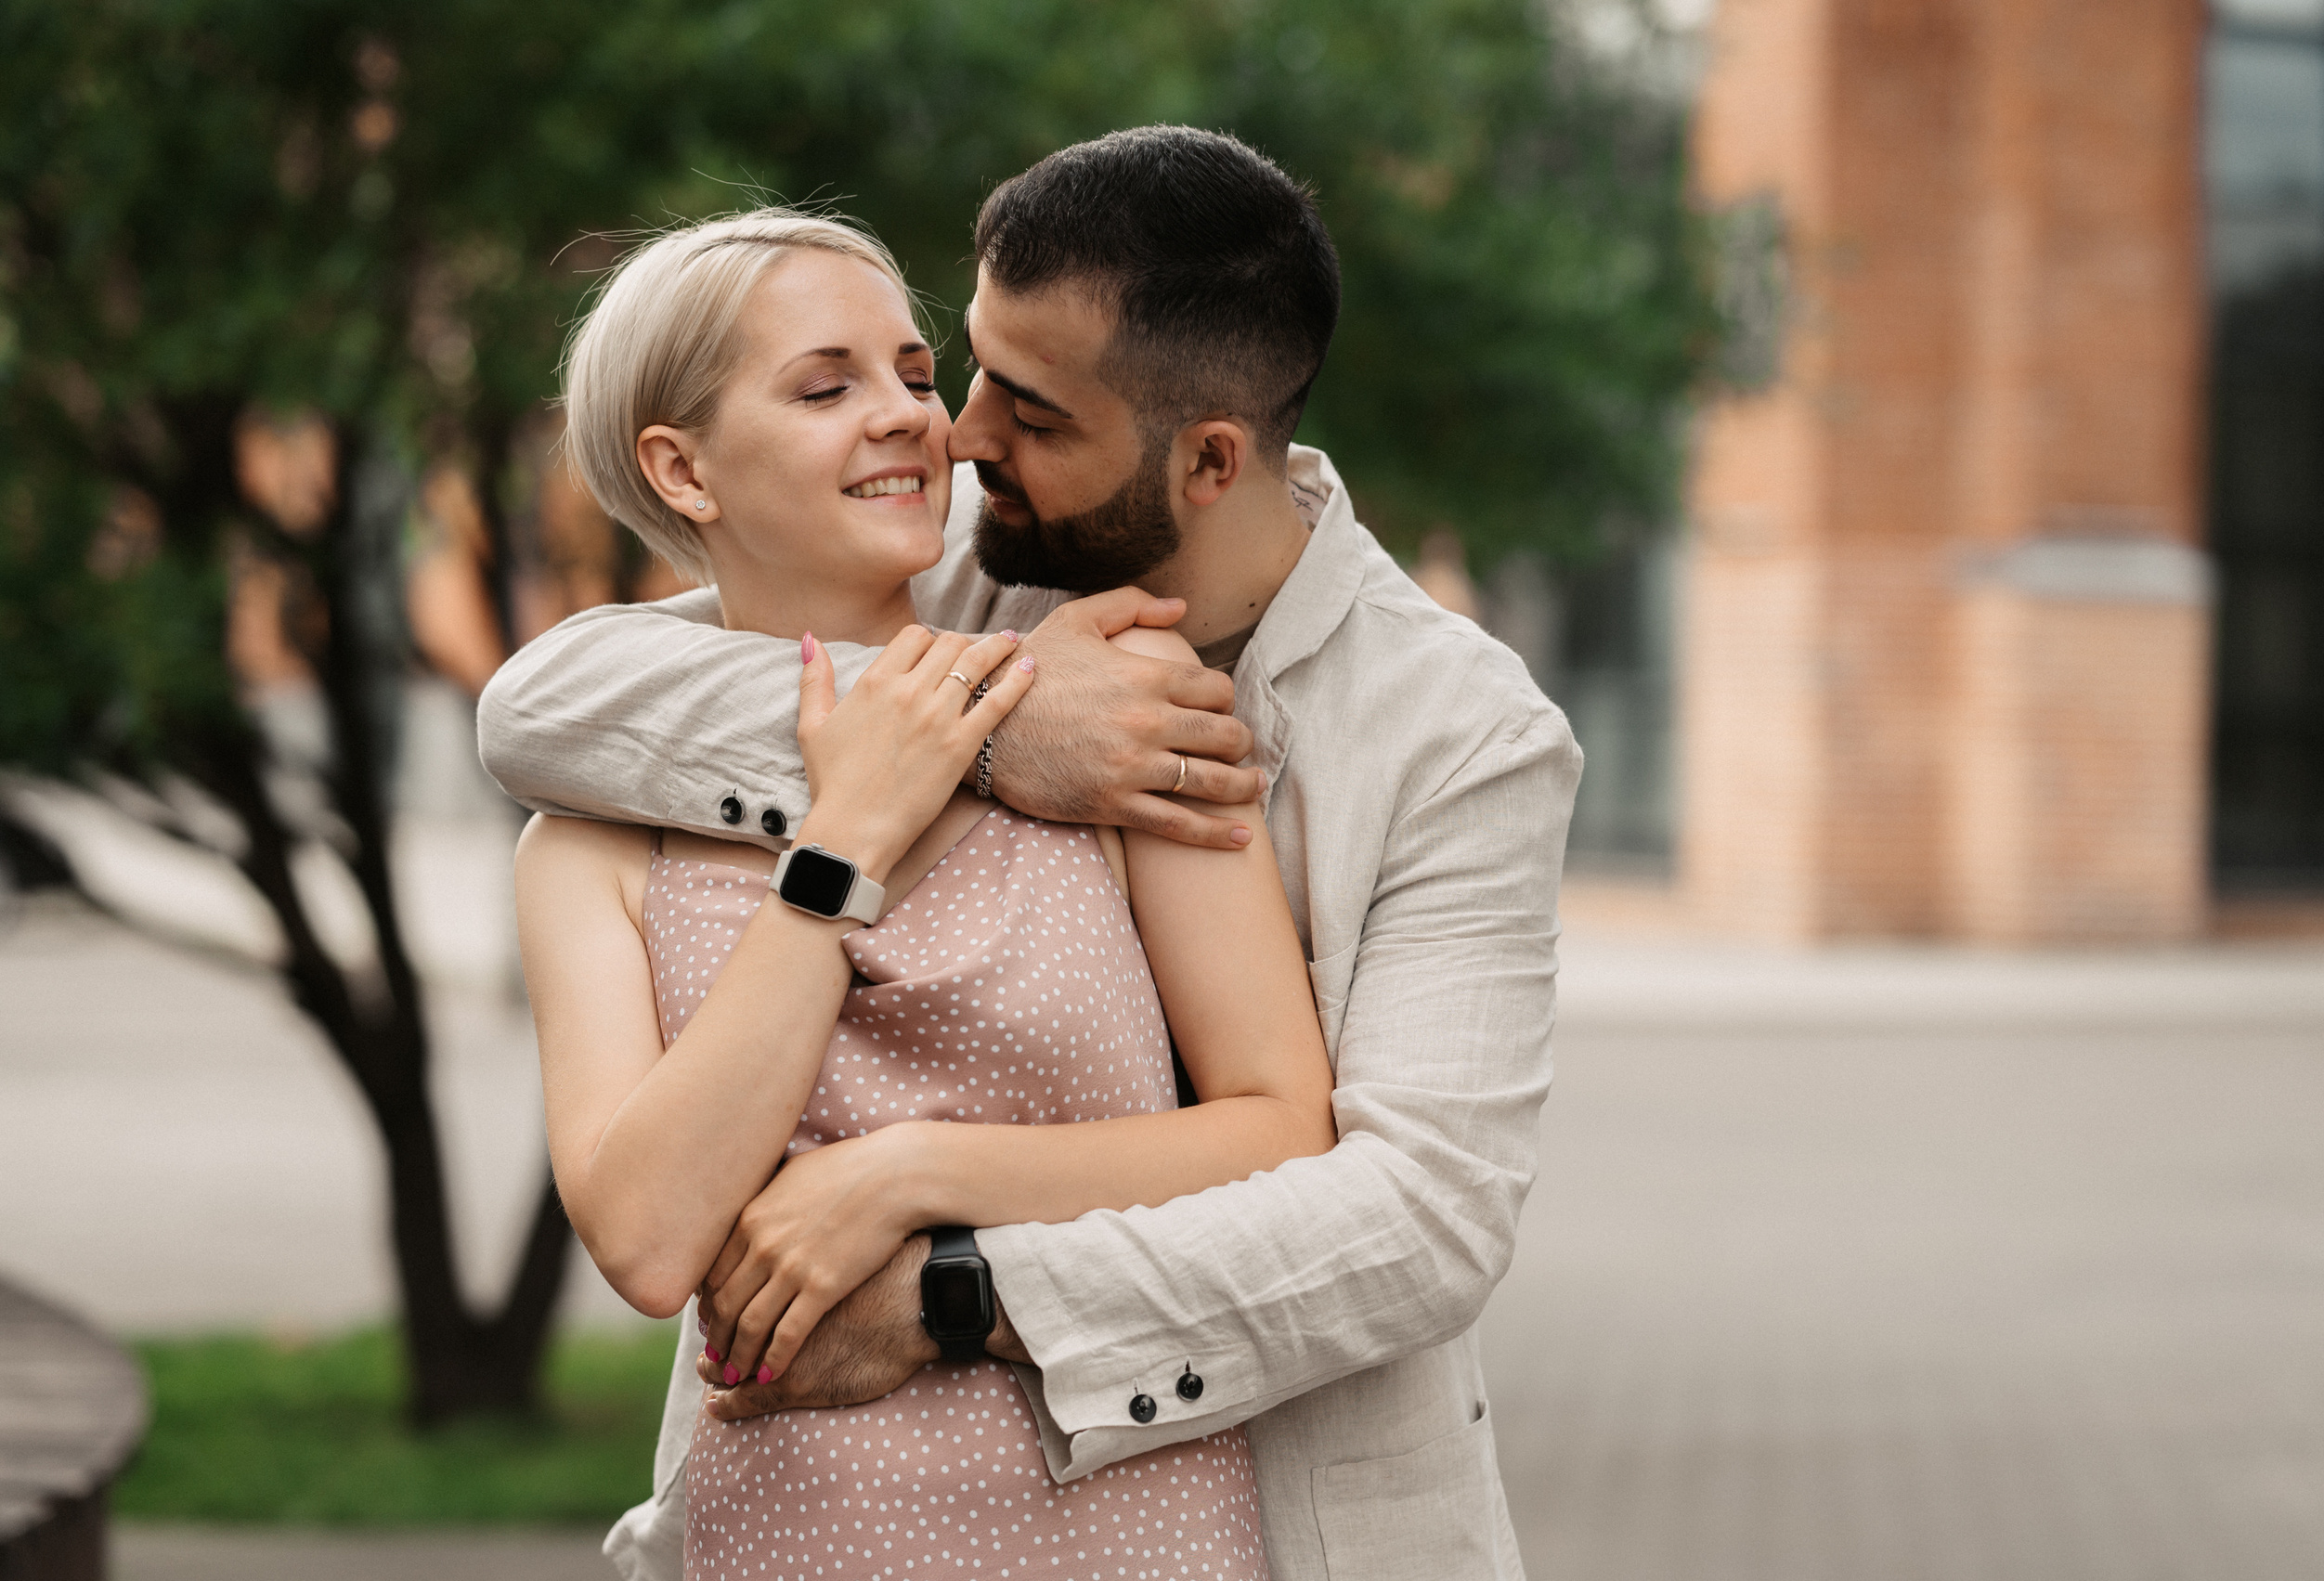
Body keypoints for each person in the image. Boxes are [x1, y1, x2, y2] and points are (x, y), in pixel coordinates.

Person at [481, 126, 1581, 1581]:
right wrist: (980, 735)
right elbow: (544, 706)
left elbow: (1419, 1220)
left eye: (1032, 408)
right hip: (805, 1510)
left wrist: (944, 1263)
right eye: (970, 367)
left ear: (1207, 459)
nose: (961, 436)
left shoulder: (1463, 735)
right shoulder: (950, 552)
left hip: (1258, 1514)